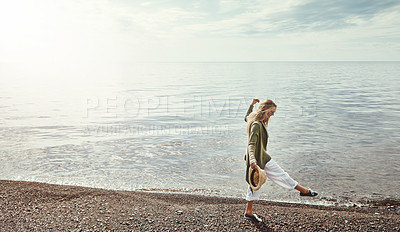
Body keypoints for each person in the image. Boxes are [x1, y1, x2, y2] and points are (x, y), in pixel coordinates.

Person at [244, 98, 318, 223]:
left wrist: (251, 105)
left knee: (256, 184)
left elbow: (246, 117)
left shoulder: (256, 121)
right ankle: (303, 191)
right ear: (265, 110)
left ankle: (248, 212)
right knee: (267, 180)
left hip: (260, 157)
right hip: (258, 159)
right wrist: (252, 159)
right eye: (271, 112)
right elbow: (251, 144)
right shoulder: (257, 125)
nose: (273, 115)